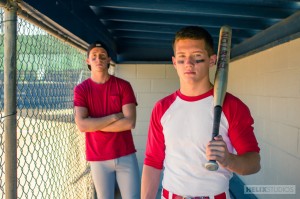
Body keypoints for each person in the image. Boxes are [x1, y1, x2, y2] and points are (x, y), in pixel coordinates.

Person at [141, 26, 261, 199]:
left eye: (197, 57)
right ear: (174, 62)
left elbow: (253, 163)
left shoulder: (232, 106)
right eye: (182, 58)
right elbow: (153, 162)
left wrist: (228, 160)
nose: (188, 64)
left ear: (212, 60)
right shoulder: (162, 108)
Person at [73, 41, 140, 199]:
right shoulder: (81, 89)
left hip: (125, 154)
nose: (98, 59)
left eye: (102, 56)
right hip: (98, 158)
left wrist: (94, 124)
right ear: (88, 61)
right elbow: (82, 125)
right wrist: (114, 116)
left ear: (109, 59)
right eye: (94, 56)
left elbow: (130, 122)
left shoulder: (123, 86)